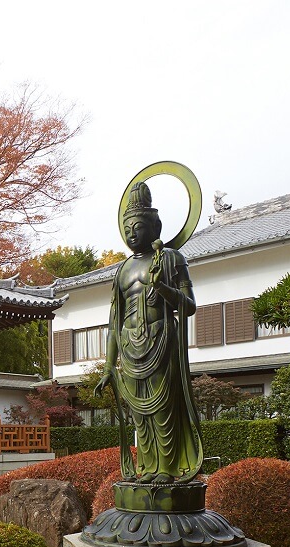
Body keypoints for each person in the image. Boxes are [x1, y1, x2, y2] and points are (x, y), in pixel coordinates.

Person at [94, 181, 203, 484]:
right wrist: (107, 366)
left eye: (138, 226)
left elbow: (189, 305)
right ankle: (147, 467)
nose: (132, 233)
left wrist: (164, 289)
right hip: (130, 347)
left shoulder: (170, 258)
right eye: (127, 228)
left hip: (161, 341)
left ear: (156, 226)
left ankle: (168, 469)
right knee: (140, 417)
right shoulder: (122, 269)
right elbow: (114, 322)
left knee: (163, 411)